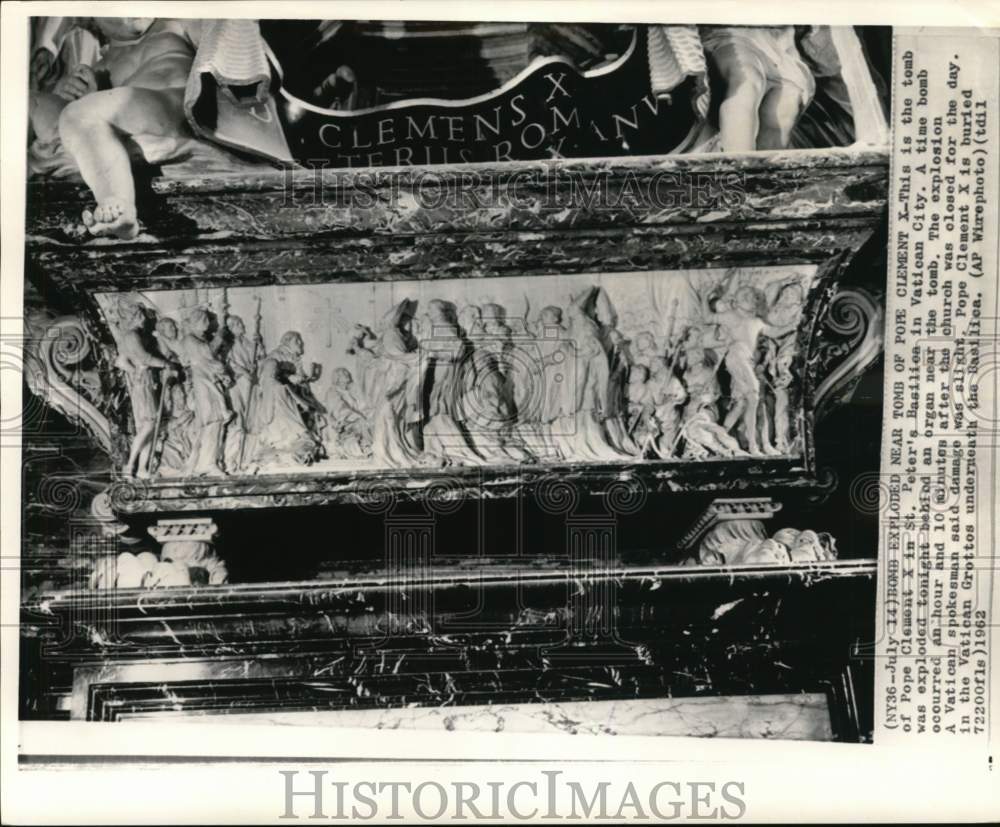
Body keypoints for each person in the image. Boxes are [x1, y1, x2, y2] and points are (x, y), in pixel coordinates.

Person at [29, 18, 199, 238]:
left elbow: (228, 38)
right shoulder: (100, 65)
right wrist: (88, 93)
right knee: (26, 102)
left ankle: (118, 203)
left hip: (174, 105)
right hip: (118, 117)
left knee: (80, 113)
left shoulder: (172, 25)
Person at [702, 280, 797, 455]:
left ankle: (730, 439)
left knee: (746, 403)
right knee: (753, 398)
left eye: (752, 296)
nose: (750, 299)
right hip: (737, 357)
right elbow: (707, 318)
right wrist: (704, 297)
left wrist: (795, 323)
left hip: (749, 362)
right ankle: (753, 446)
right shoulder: (731, 316)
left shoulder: (756, 322)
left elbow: (775, 332)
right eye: (745, 296)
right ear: (737, 301)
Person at [700, 25, 816, 151]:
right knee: (747, 81)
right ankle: (739, 163)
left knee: (788, 99)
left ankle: (766, 168)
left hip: (778, 47)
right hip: (732, 36)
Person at [116, 301, 178, 476]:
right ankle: (129, 466)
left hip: (147, 380)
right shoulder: (131, 335)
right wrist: (166, 364)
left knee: (152, 426)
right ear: (134, 316)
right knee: (149, 424)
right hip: (142, 383)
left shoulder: (136, 335)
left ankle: (142, 469)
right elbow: (144, 358)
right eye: (141, 314)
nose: (144, 318)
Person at [252, 331, 323, 466]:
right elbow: (268, 373)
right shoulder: (277, 354)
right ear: (286, 341)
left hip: (293, 393)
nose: (300, 344)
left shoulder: (295, 358)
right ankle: (289, 440)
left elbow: (298, 378)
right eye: (297, 341)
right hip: (279, 395)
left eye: (300, 341)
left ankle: (299, 440)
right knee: (285, 405)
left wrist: (306, 379)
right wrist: (289, 378)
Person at [179, 308, 233, 475]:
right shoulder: (189, 339)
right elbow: (208, 352)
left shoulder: (200, 338)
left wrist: (222, 373)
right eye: (205, 320)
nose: (208, 324)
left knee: (216, 423)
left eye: (208, 321)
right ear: (196, 322)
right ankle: (206, 464)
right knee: (212, 421)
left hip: (210, 380)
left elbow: (213, 359)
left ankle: (209, 461)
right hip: (203, 383)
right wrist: (220, 334)